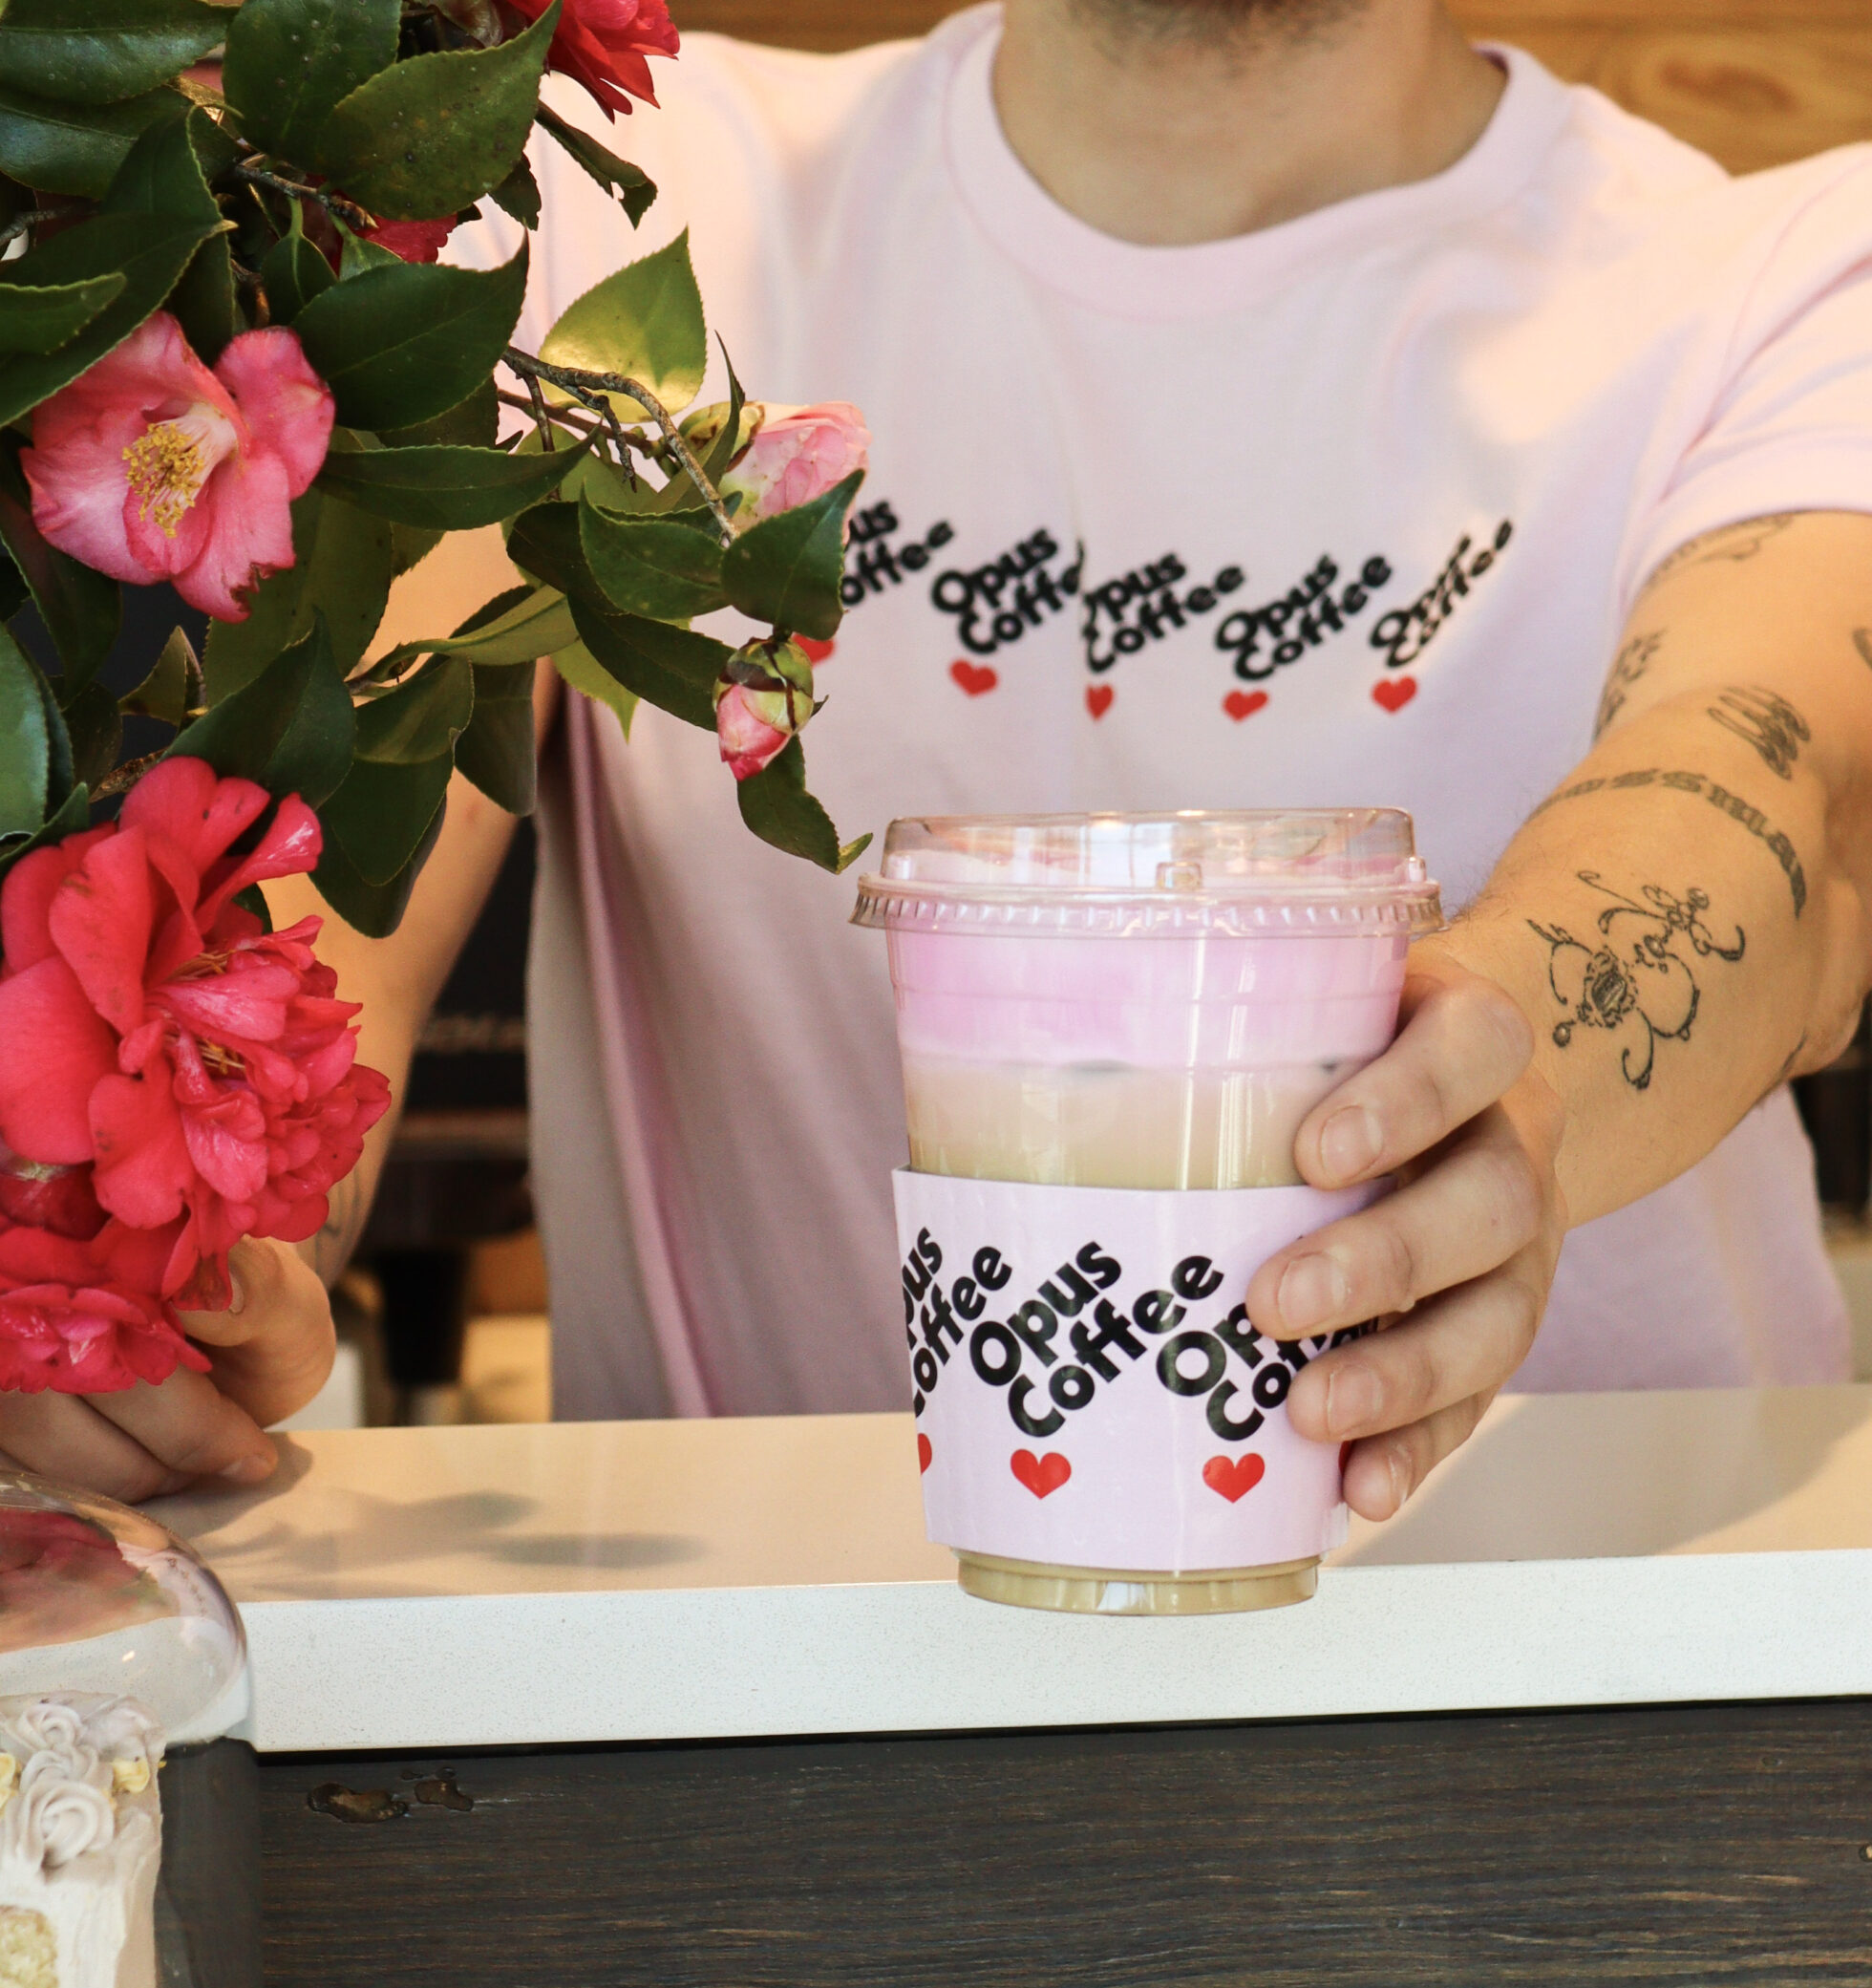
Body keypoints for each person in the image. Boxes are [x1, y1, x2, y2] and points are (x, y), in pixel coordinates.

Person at [7, 0, 1872, 1527]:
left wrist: (1507, 1069)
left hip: (1605, 1696)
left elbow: (1762, 813)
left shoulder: (1777, 280)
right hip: (771, 1749)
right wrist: (167, 1259)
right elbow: (322, 889)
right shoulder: (608, 208)